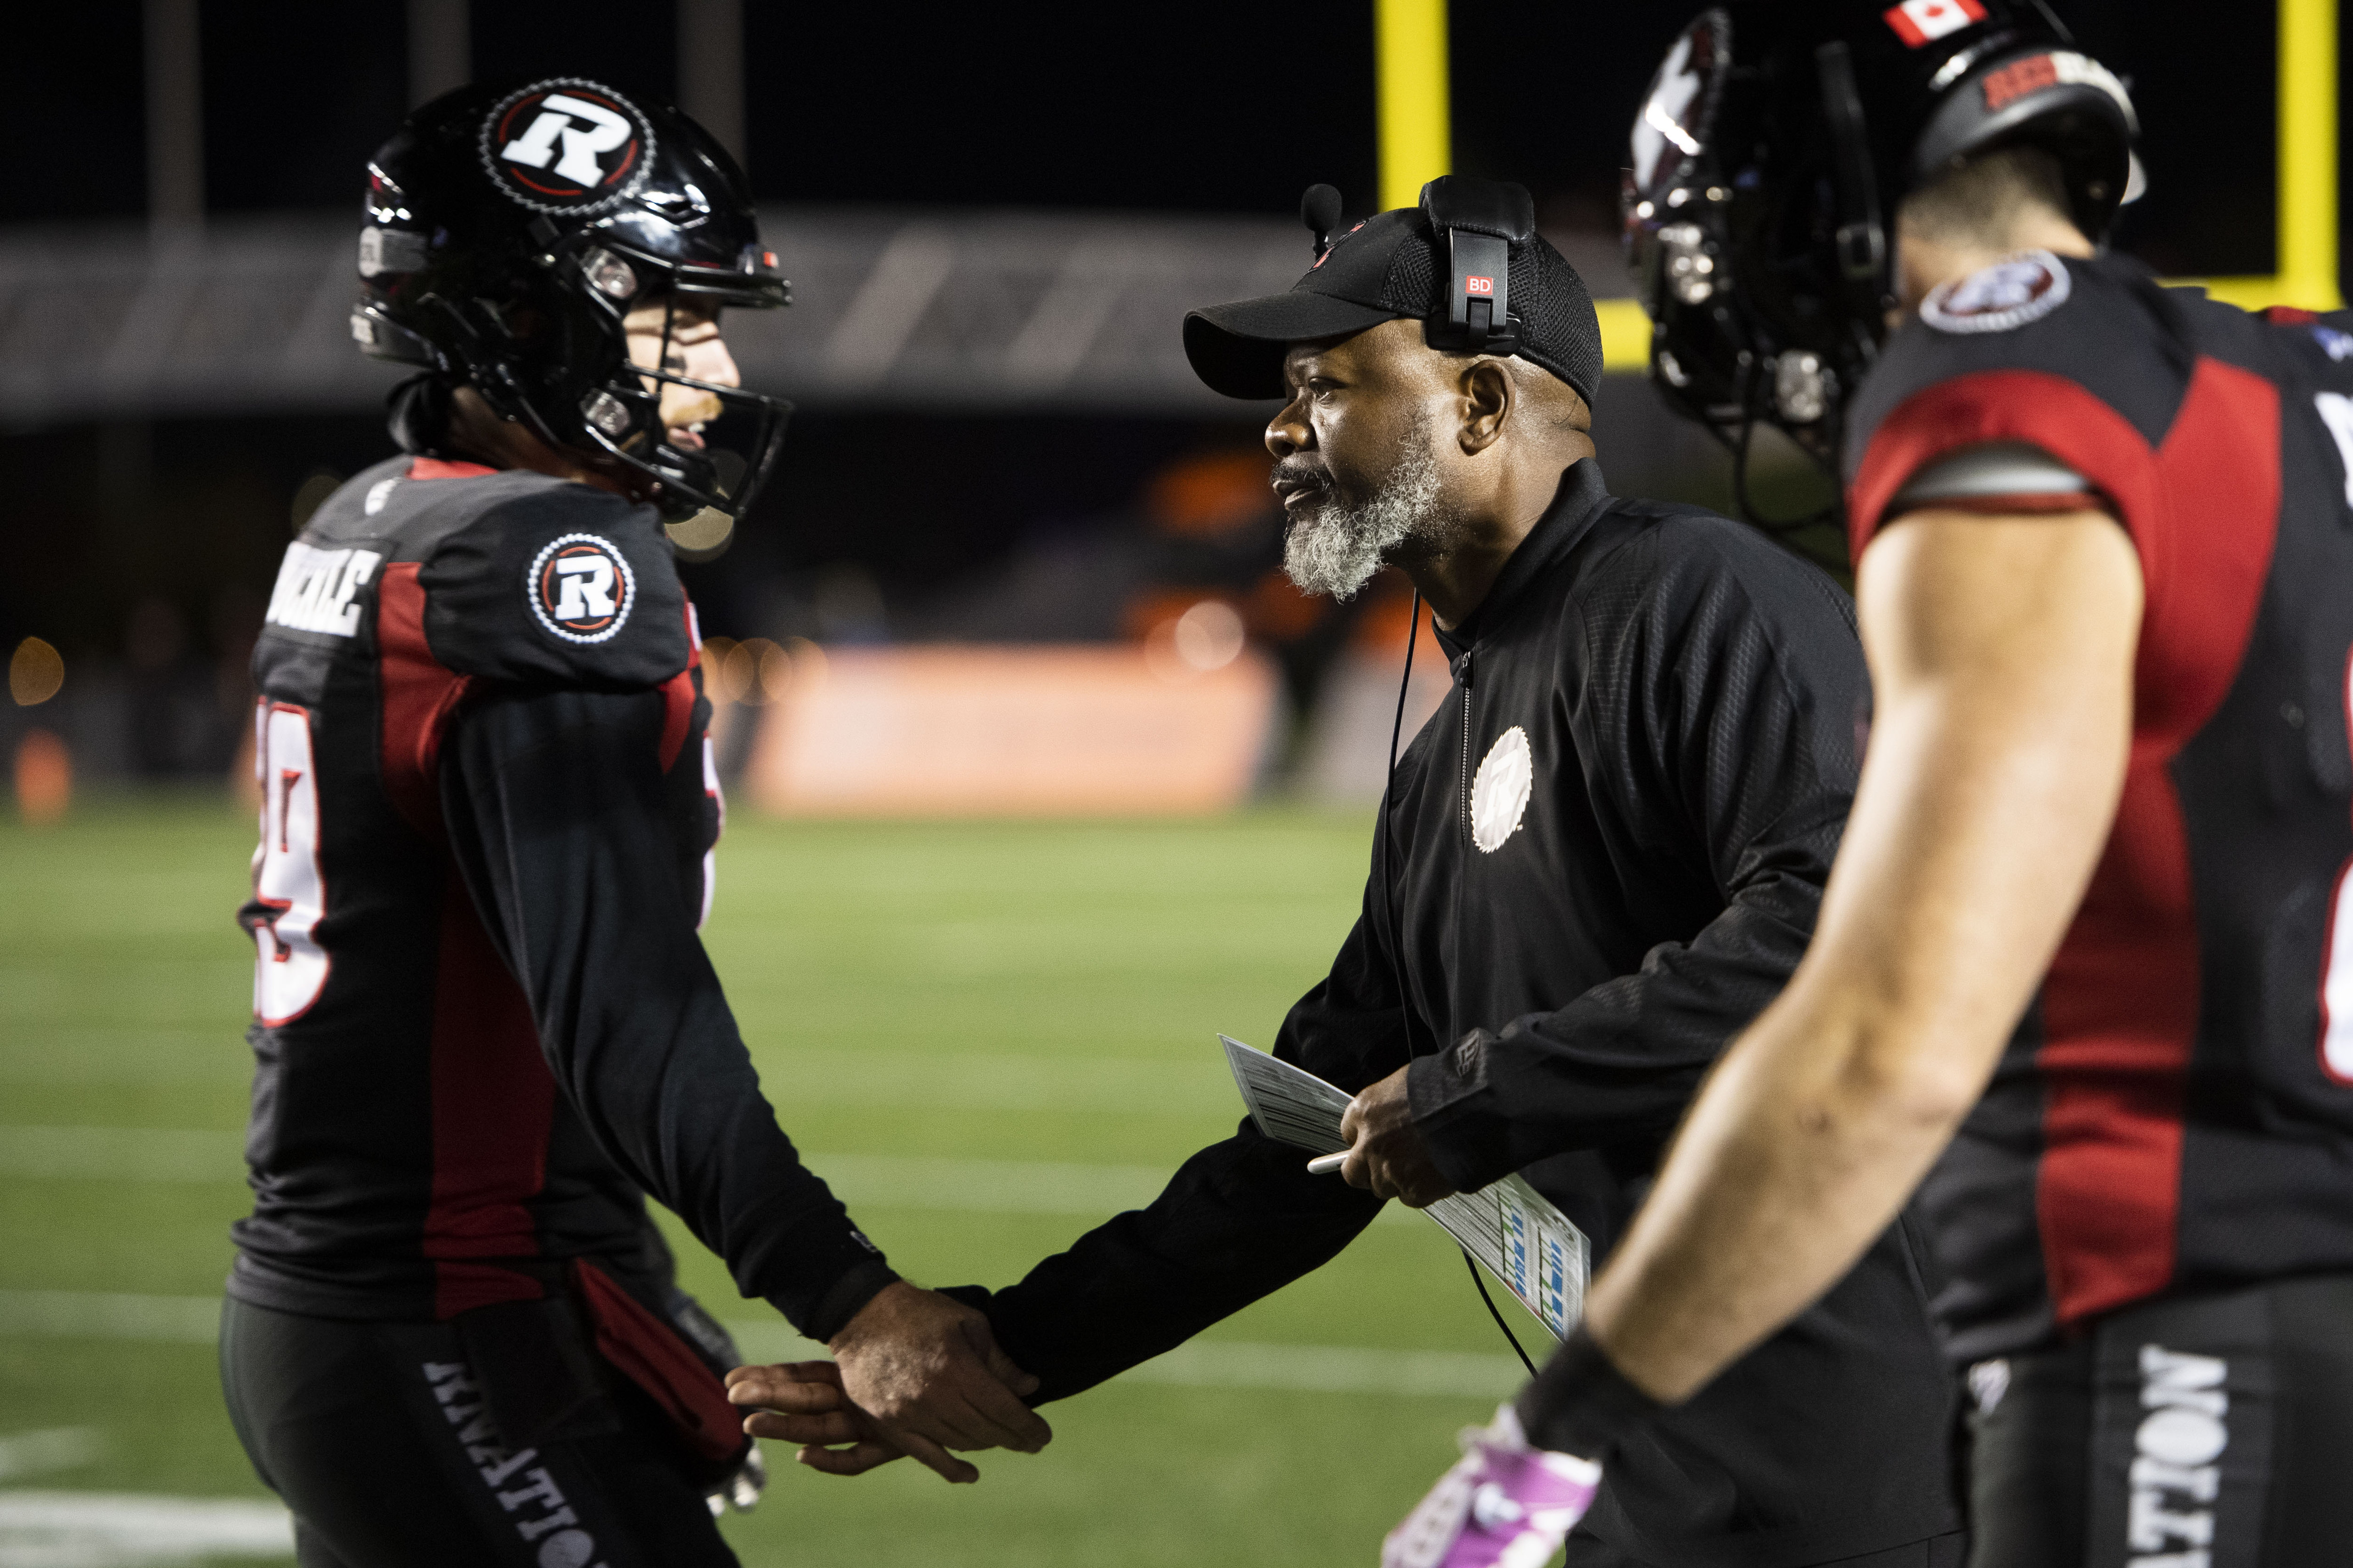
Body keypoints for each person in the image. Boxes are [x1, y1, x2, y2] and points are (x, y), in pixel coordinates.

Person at [730, 177, 1965, 1568]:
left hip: (1869, 1491)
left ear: (1483, 405)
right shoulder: (1445, 761)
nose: (1277, 425)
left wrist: (1490, 1090)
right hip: (1638, 1486)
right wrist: (1003, 1343)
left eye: (1326, 381)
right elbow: (1298, 1157)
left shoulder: (1700, 602)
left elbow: (1852, 933)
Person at [1392, 4, 2353, 1565]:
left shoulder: (2000, 378)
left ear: (1818, 190)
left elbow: (1884, 1036)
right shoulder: (2303, 370)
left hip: (2183, 1316)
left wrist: (1548, 1442)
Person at [223, 80, 1048, 1568]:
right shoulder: (546, 557)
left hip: (367, 1314)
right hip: (442, 1327)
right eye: (677, 313)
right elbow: (622, 1008)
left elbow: (494, 997)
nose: (717, 365)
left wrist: (611, 1268)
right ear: (529, 316)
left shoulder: (371, 517)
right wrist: (851, 1295)